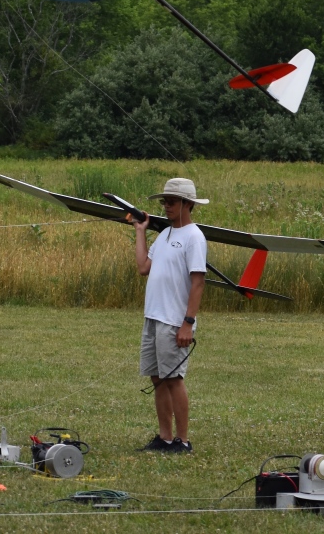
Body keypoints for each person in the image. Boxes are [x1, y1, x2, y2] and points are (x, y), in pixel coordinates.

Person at [134, 178, 208, 454]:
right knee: (157, 378)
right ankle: (164, 438)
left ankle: (183, 440)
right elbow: (144, 267)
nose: (166, 206)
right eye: (164, 202)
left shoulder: (194, 237)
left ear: (188, 204)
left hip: (174, 320)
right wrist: (141, 231)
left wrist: (187, 323)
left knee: (174, 377)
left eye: (172, 202)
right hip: (153, 316)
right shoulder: (164, 234)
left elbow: (198, 282)